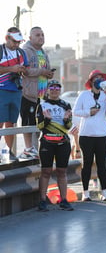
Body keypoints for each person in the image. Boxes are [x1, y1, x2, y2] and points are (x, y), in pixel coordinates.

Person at [73, 70, 106, 202]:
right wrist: (88, 112)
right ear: (91, 81)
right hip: (86, 135)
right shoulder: (84, 95)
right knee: (87, 163)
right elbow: (75, 111)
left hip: (102, 134)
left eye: (101, 78)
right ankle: (86, 192)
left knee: (101, 163)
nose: (99, 80)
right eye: (96, 78)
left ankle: (105, 191)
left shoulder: (104, 96)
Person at [36, 80, 73, 211]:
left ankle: (64, 200)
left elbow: (68, 126)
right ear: (47, 90)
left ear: (60, 90)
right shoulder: (42, 105)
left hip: (63, 143)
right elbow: (39, 126)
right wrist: (46, 120)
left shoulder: (66, 104)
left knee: (62, 172)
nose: (54, 90)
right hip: (47, 142)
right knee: (45, 171)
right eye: (52, 87)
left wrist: (66, 120)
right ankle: (42, 201)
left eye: (57, 87)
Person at [20, 26, 55, 159]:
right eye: (37, 35)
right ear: (30, 38)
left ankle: (35, 150)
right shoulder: (25, 51)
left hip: (41, 95)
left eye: (42, 34)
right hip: (28, 94)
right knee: (27, 123)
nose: (41, 37)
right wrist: (41, 71)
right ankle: (28, 149)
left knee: (39, 124)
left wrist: (49, 73)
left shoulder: (43, 52)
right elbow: (25, 70)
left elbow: (45, 70)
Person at [0, 27, 29, 161]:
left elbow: (27, 70)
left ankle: (7, 151)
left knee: (11, 122)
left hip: (16, 90)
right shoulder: (1, 50)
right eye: (14, 41)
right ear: (7, 38)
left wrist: (23, 70)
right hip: (2, 90)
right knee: (0, 122)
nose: (17, 44)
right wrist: (11, 68)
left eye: (19, 42)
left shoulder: (21, 52)